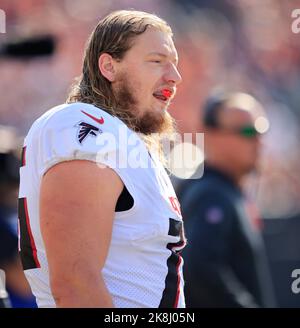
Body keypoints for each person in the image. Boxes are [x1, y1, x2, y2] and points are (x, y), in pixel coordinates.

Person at [18, 10, 185, 308]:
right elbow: (75, 284)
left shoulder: (124, 139)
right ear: (109, 66)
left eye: (174, 63)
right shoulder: (84, 125)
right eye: (157, 61)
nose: (174, 76)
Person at [178, 92, 276, 308]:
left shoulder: (223, 191)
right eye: (248, 131)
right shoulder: (211, 194)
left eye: (262, 131)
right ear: (211, 135)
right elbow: (201, 271)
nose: (259, 141)